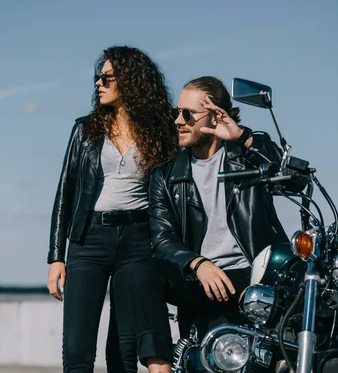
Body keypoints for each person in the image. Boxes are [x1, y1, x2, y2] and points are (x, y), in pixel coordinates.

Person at [116, 76, 289, 373]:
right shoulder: (166, 175)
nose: (178, 122)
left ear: (215, 114)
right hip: (199, 278)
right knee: (137, 270)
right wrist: (198, 263)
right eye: (176, 112)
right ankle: (160, 368)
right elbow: (162, 238)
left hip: (250, 277)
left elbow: (290, 178)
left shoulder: (247, 158)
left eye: (188, 114)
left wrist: (244, 137)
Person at [46, 45, 179, 373]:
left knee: (123, 349)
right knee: (77, 349)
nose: (98, 84)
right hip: (89, 240)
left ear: (131, 81)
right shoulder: (84, 130)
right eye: (97, 78)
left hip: (138, 241)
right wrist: (56, 257)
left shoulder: (161, 132)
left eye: (107, 78)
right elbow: (66, 193)